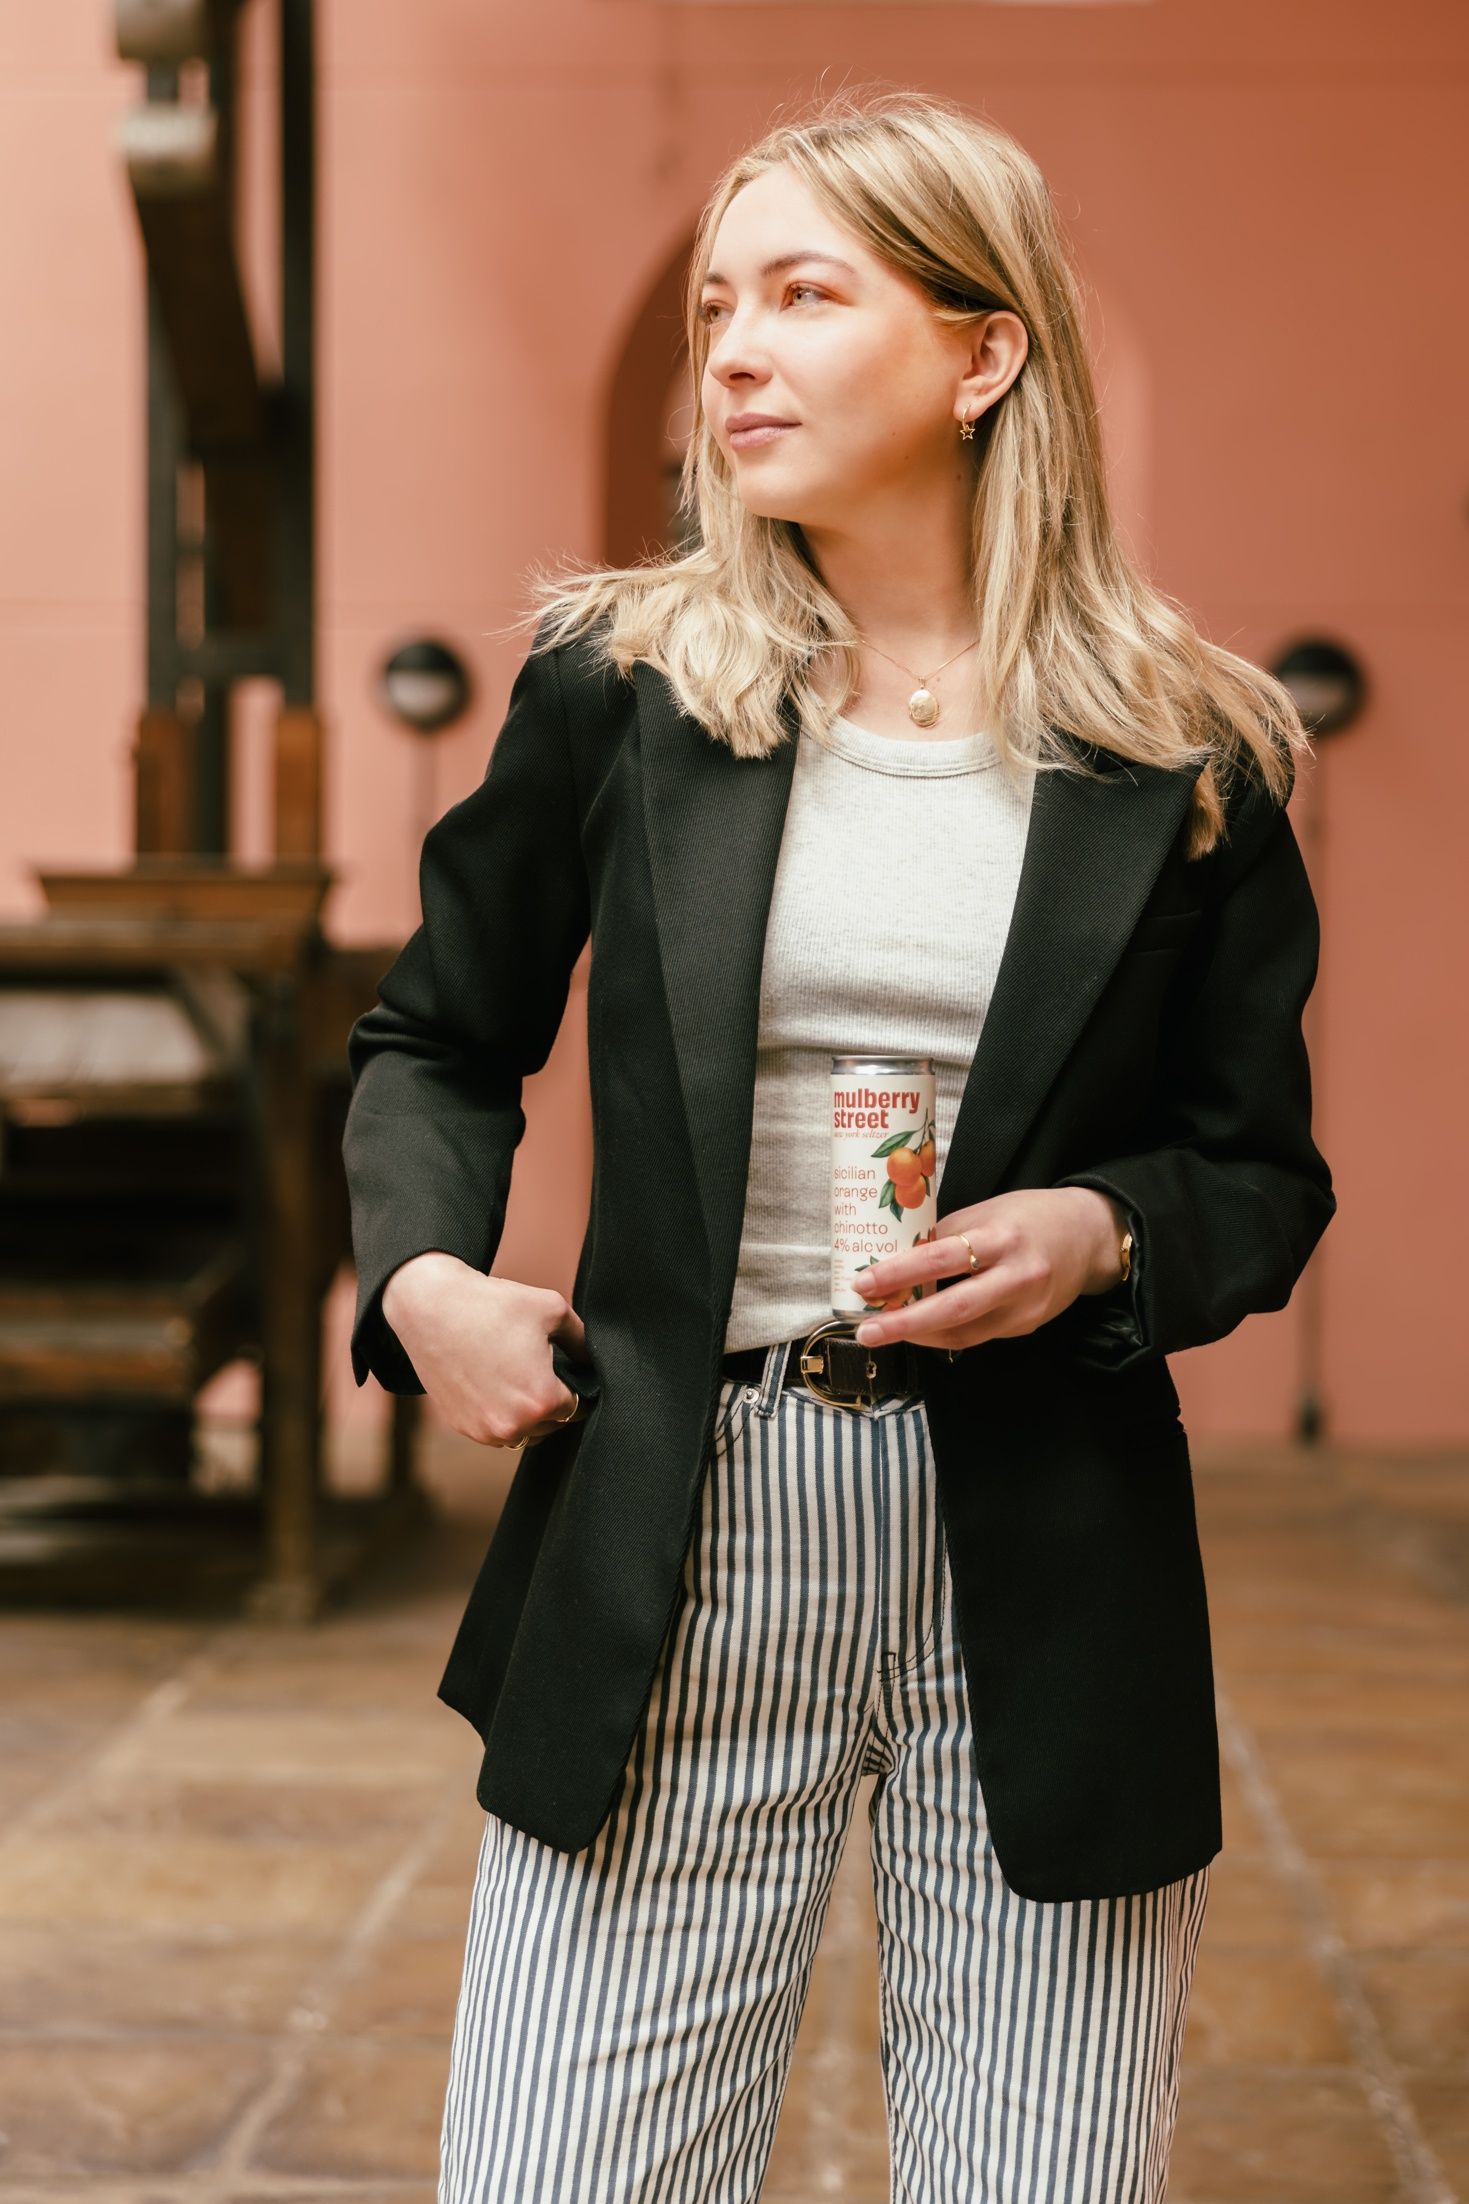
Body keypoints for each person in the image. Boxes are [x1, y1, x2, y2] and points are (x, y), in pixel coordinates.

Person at [344, 93, 1332, 2204]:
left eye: (807, 293)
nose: (733, 353)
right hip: (682, 1522)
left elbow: (1257, 1177)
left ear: (988, 355)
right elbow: (435, 1037)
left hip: (1044, 1542)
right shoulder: (623, 686)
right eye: (718, 304)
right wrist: (425, 1280)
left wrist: (1097, 1230)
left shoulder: (1198, 750)